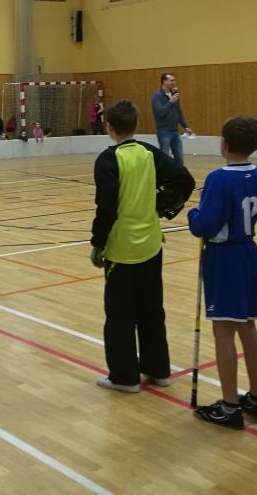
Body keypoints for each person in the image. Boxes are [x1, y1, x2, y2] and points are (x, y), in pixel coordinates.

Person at [89, 99, 194, 393]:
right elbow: (184, 179)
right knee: (151, 310)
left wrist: (97, 244)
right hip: (151, 244)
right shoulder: (149, 152)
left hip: (122, 250)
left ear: (109, 128)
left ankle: (125, 377)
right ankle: (158, 369)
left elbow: (106, 208)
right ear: (136, 125)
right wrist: (161, 207)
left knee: (120, 315)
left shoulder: (108, 160)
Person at [188, 116, 257, 428]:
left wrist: (193, 214)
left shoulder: (219, 178)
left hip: (224, 257)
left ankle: (230, 405)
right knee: (248, 326)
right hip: (249, 252)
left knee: (223, 330)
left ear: (223, 143)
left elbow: (205, 224)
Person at [151, 73, 192, 165]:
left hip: (175, 131)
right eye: (171, 80)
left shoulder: (174, 95)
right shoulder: (157, 96)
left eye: (174, 80)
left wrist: (185, 126)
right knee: (164, 158)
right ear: (164, 81)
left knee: (179, 159)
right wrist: (170, 102)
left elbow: (179, 112)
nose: (174, 82)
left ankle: (178, 173)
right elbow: (160, 113)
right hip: (163, 132)